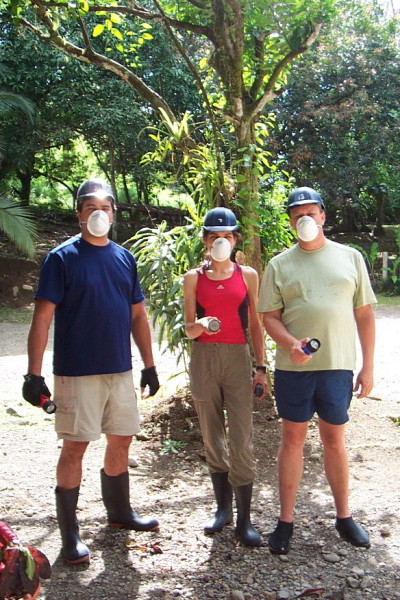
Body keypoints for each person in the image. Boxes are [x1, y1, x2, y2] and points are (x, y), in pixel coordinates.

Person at [22, 178, 160, 565]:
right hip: (77, 372)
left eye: (106, 208)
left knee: (122, 439)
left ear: (114, 213)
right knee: (76, 446)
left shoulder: (123, 258)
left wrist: (149, 365)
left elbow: (137, 314)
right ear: (80, 214)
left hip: (119, 370)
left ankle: (119, 514)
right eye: (91, 208)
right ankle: (69, 535)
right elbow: (43, 318)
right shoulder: (62, 258)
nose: (100, 214)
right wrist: (33, 375)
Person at [257, 186, 376, 555]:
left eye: (311, 213)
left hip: (338, 366)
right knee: (292, 439)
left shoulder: (350, 258)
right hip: (295, 368)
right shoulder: (279, 264)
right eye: (297, 216)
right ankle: (285, 521)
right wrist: (291, 343)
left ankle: (344, 517)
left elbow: (365, 314)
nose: (304, 220)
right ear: (290, 221)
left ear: (324, 216)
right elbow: (269, 318)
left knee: (334, 441)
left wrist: (368, 366)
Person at [183, 207, 268, 546]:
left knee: (242, 437)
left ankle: (245, 520)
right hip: (203, 357)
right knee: (211, 433)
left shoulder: (247, 275)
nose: (222, 241)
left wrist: (260, 368)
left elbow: (256, 323)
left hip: (237, 357)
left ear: (234, 240)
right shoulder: (193, 278)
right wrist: (198, 326)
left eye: (228, 236)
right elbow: (188, 329)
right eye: (215, 236)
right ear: (206, 240)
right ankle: (223, 510)